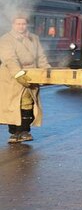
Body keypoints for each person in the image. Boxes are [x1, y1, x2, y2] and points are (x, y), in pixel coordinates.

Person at [0, 14, 50, 144]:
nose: (21, 26)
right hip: (11, 77)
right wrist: (18, 74)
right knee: (13, 105)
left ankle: (25, 131)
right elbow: (10, 59)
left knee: (28, 103)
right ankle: (15, 132)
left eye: (23, 24)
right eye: (18, 24)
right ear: (13, 25)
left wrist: (47, 71)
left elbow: (41, 56)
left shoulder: (34, 38)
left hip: (32, 74)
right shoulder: (6, 39)